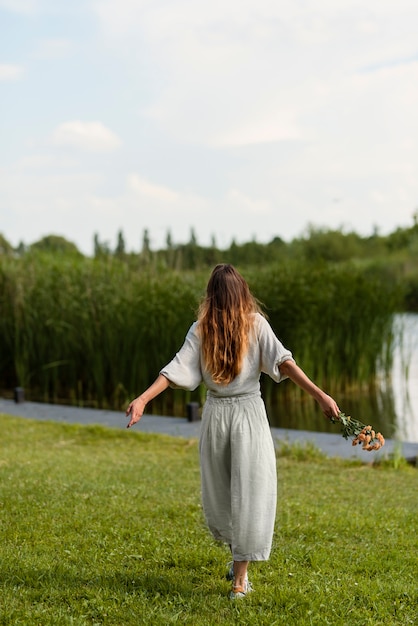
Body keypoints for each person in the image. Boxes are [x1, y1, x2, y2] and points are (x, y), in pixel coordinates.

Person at [126, 264, 340, 600]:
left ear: (210, 295)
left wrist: (142, 399)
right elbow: (284, 364)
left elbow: (173, 371)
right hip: (245, 415)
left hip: (221, 415)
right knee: (244, 491)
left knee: (230, 491)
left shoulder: (214, 327)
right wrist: (321, 395)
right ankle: (240, 569)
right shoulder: (234, 326)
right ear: (242, 292)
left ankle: (239, 576)